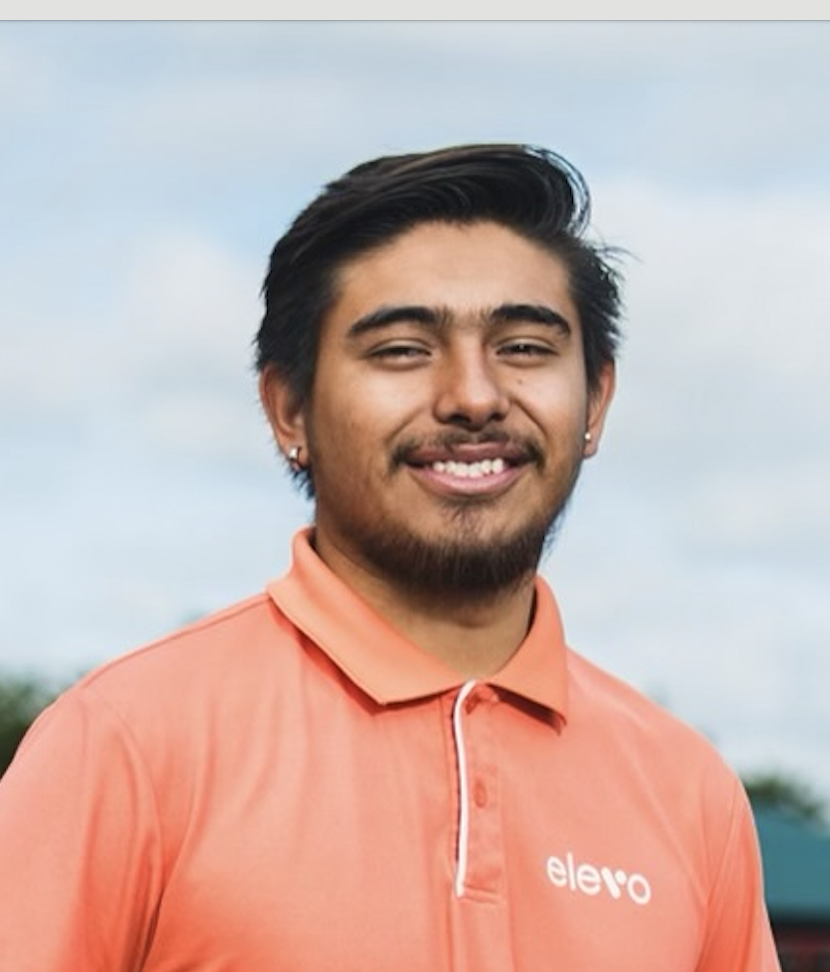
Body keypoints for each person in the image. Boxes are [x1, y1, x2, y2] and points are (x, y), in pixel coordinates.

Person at [0, 143, 780, 971]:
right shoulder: (126, 742)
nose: (474, 397)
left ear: (596, 401)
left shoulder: (689, 793)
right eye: (403, 349)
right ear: (289, 408)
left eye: (524, 347)